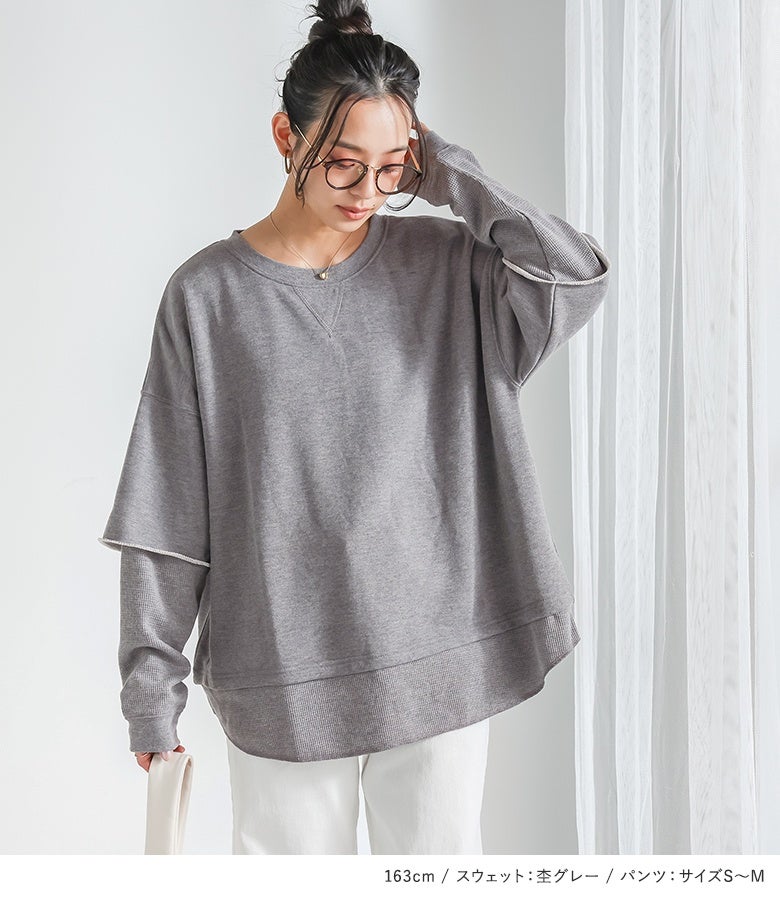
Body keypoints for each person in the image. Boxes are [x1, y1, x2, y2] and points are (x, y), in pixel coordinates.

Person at [99, 0, 610, 854]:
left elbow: (575, 276)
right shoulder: (208, 296)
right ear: (285, 136)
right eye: (342, 165)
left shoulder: (447, 266)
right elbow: (167, 508)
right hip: (281, 673)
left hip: (443, 655)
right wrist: (152, 689)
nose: (368, 193)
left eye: (391, 168)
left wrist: (450, 175)